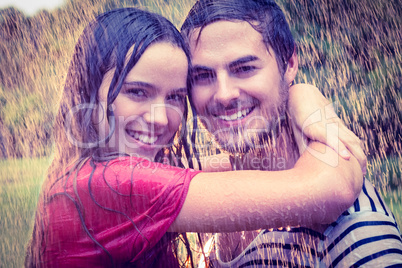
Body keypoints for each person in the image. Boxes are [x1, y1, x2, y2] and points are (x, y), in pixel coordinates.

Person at [25, 7, 364, 268]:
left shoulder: (82, 174)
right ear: (88, 91)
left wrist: (301, 96)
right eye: (137, 92)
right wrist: (319, 114)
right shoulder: (114, 185)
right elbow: (332, 188)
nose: (159, 118)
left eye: (173, 97)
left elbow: (229, 167)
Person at [180, 0, 402, 267]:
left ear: (290, 63)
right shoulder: (219, 195)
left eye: (245, 68)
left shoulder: (353, 233)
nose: (224, 94)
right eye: (203, 75)